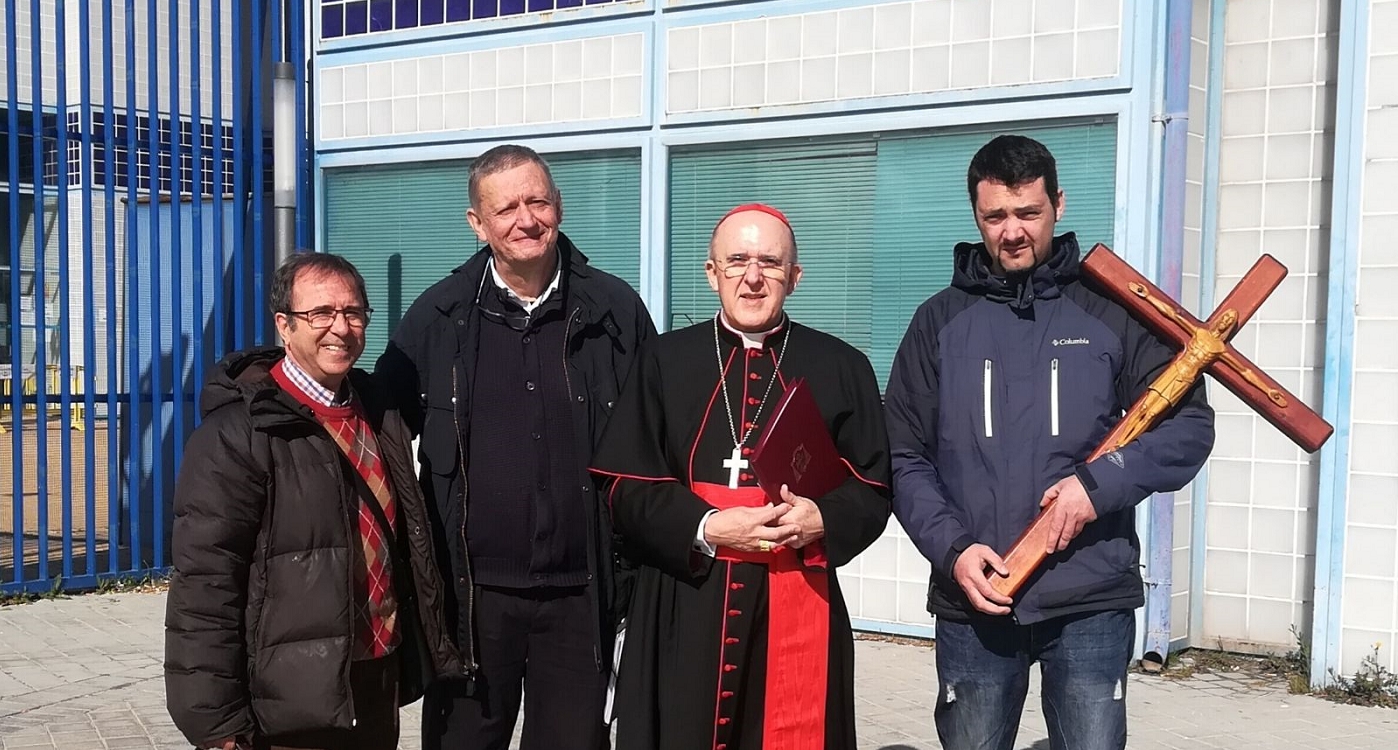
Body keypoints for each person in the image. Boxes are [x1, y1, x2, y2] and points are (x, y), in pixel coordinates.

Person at [884, 134, 1216, 750]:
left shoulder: (1112, 311)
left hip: (1089, 595)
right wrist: (954, 550)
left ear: (1058, 204)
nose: (1013, 232)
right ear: (976, 216)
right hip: (977, 598)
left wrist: (1098, 487)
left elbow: (1189, 426)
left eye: (1028, 213)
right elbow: (904, 456)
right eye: (995, 217)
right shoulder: (938, 322)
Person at [375, 144, 656, 750]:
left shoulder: (614, 311)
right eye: (506, 208)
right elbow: (377, 430)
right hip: (471, 599)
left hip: (583, 593)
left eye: (538, 201)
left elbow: (654, 439)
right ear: (478, 223)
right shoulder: (438, 316)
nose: (526, 219)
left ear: (559, 205)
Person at [591, 203, 891, 750]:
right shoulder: (662, 361)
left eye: (771, 263)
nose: (753, 277)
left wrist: (821, 517)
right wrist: (706, 526)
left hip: (796, 590)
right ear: (712, 273)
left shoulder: (843, 366)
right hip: (685, 600)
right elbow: (623, 487)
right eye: (736, 261)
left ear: (794, 278)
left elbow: (872, 488)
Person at [165, 253, 463, 750]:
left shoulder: (377, 413)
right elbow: (205, 584)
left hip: (373, 677)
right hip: (285, 699)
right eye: (320, 313)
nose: (340, 328)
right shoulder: (238, 434)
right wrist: (216, 722)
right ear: (284, 325)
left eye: (353, 313)